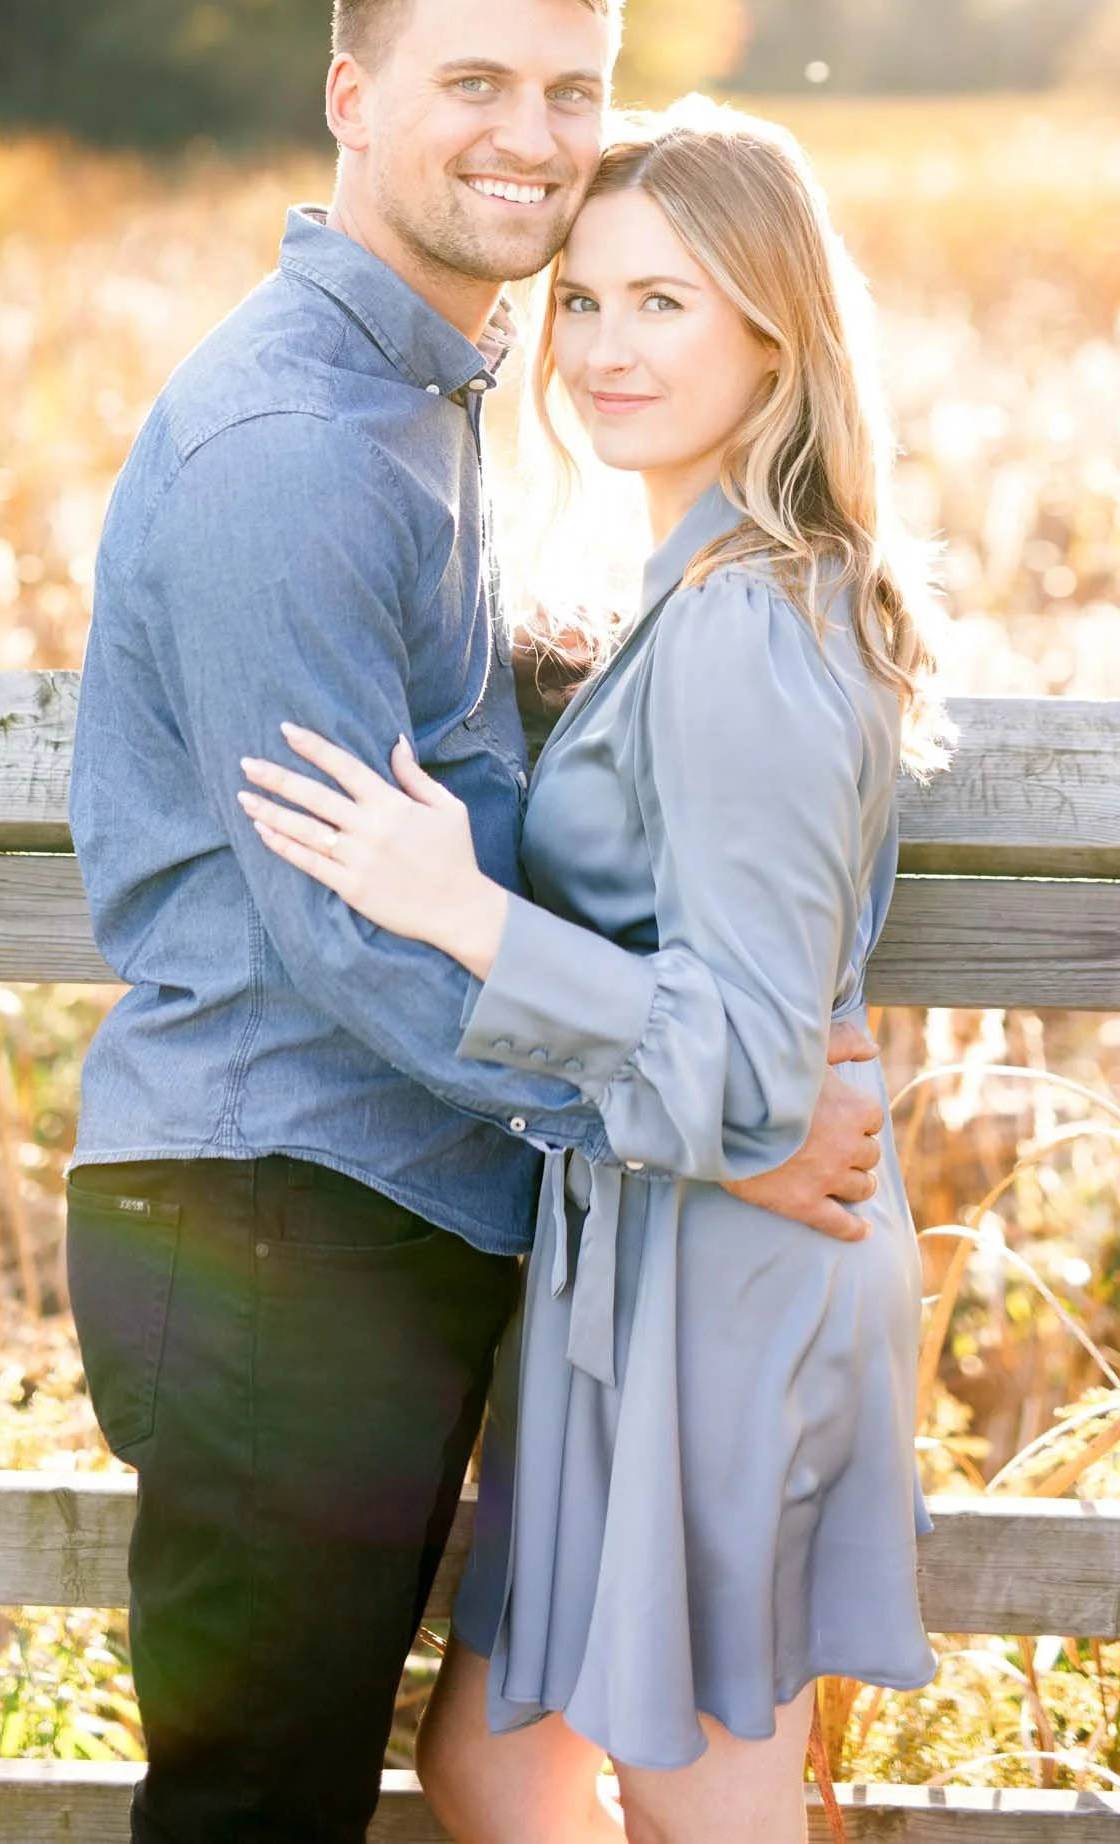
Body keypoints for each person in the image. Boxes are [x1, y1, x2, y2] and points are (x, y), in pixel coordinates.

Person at [66, 0, 888, 1844]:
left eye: (570, 87)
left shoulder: (425, 409)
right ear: (349, 94)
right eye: (474, 81)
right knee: (263, 1794)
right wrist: (716, 1125)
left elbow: (445, 761)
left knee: (463, 1759)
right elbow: (350, 935)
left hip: (400, 1207)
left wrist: (552, 679)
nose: (531, 131)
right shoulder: (297, 444)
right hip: (286, 1204)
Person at [240, 99, 950, 1844]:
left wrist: (458, 906)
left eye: (668, 304)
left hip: (733, 1264)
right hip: (646, 1258)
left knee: (700, 1799)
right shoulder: (693, 593)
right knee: (501, 1761)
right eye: (584, 301)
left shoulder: (749, 631)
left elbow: (750, 1073)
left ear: (776, 331)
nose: (607, 348)